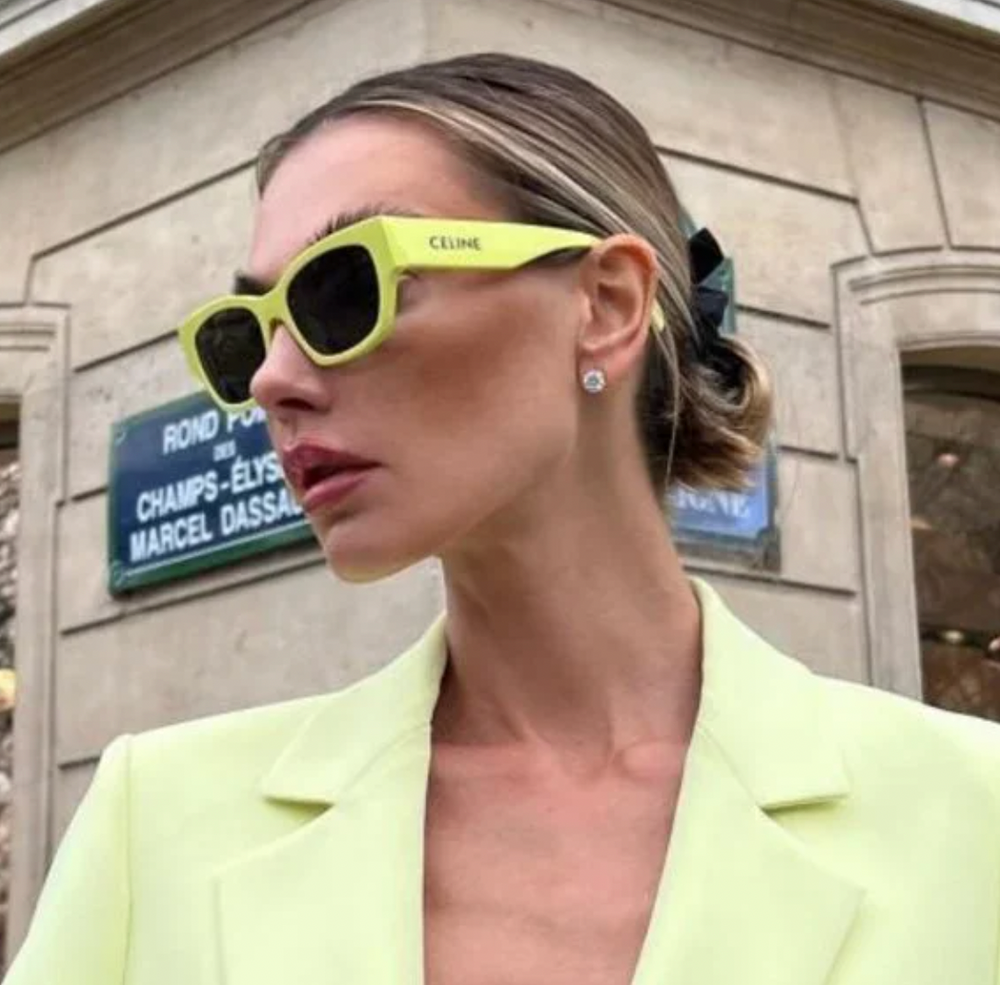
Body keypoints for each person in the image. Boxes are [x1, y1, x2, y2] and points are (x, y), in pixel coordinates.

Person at [7, 51, 1000, 985]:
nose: (270, 380)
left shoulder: (971, 812)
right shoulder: (157, 821)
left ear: (605, 304)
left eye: (344, 289)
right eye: (245, 336)